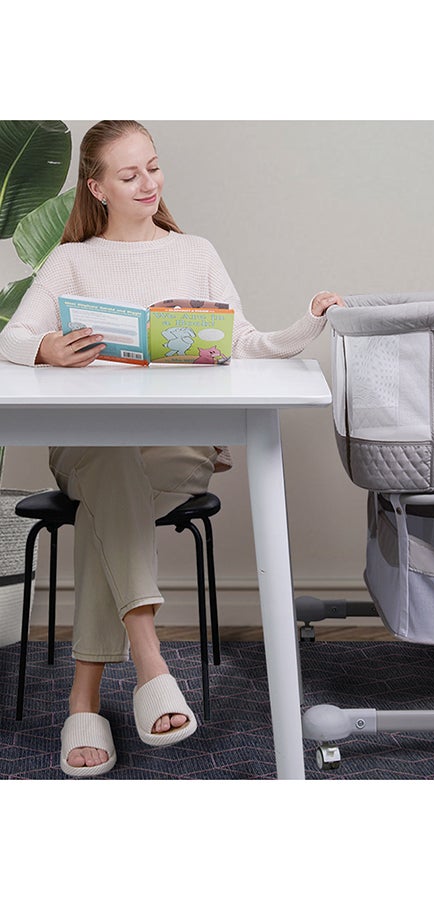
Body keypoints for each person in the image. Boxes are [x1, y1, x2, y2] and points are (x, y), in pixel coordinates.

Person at [0, 120, 343, 777]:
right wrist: (44, 346)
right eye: (130, 175)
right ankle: (150, 659)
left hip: (176, 450)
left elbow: (244, 342)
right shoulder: (72, 260)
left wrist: (307, 324)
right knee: (107, 462)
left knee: (111, 499)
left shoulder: (194, 252)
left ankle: (85, 702)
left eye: (153, 167)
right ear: (97, 187)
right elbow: (11, 339)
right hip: (90, 450)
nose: (149, 183)